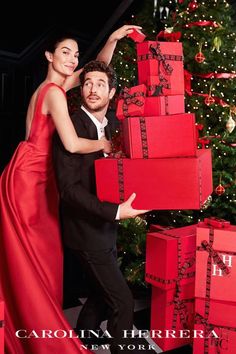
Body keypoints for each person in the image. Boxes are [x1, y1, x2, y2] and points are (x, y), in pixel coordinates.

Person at [0, 25, 141, 354]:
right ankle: (37, 328)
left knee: (37, 260)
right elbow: (73, 143)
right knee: (31, 257)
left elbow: (96, 73)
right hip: (29, 180)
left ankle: (32, 323)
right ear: (49, 55)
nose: (72, 59)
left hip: (38, 176)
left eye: (75, 54)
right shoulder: (53, 92)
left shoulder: (57, 85)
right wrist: (105, 144)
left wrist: (113, 40)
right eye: (65, 52)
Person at [52, 60, 149, 354]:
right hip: (86, 230)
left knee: (99, 291)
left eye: (100, 84)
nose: (93, 90)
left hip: (107, 226)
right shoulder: (71, 125)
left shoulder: (115, 125)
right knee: (122, 301)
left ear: (112, 92)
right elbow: (69, 191)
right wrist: (117, 211)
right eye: (88, 83)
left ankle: (84, 339)